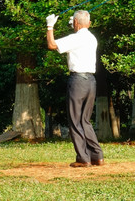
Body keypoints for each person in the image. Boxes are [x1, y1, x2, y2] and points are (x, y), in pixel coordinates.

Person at [46, 10, 104, 167]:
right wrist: (76, 25)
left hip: (78, 81)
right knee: (85, 120)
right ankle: (97, 156)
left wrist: (50, 25)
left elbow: (51, 45)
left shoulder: (76, 38)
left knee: (75, 120)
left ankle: (83, 159)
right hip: (91, 81)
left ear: (76, 23)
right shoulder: (92, 38)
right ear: (89, 23)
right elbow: (80, 32)